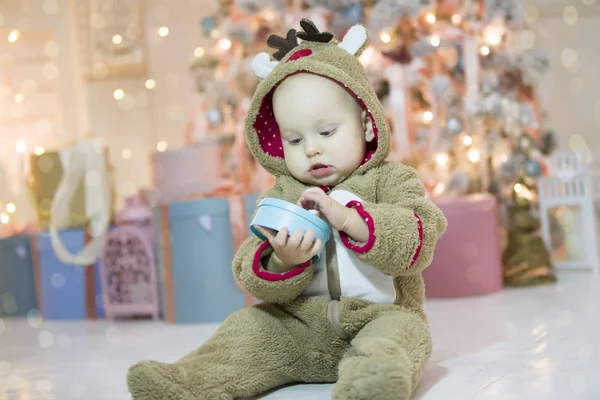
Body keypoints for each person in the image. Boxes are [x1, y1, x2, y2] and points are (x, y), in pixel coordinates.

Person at [127, 19, 447, 400]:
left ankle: (370, 382)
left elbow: (418, 237)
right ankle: (188, 383)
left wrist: (349, 218)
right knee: (248, 328)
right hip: (299, 328)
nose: (312, 149)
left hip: (377, 316)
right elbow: (248, 268)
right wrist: (281, 261)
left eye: (327, 133)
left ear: (365, 123)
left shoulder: (393, 180)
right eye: (295, 139)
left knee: (403, 336)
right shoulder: (282, 193)